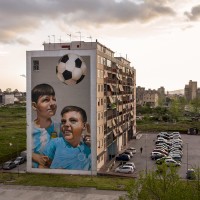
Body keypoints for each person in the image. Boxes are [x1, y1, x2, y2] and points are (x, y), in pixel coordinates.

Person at [42, 105, 91, 170]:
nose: (66, 124)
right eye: (63, 121)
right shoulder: (55, 143)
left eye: (73, 120)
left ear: (84, 126)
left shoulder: (88, 150)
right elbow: (42, 165)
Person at [31, 83, 61, 168]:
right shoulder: (29, 129)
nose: (52, 103)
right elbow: (21, 152)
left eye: (54, 99)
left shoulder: (60, 128)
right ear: (34, 105)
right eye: (46, 100)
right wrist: (34, 156)